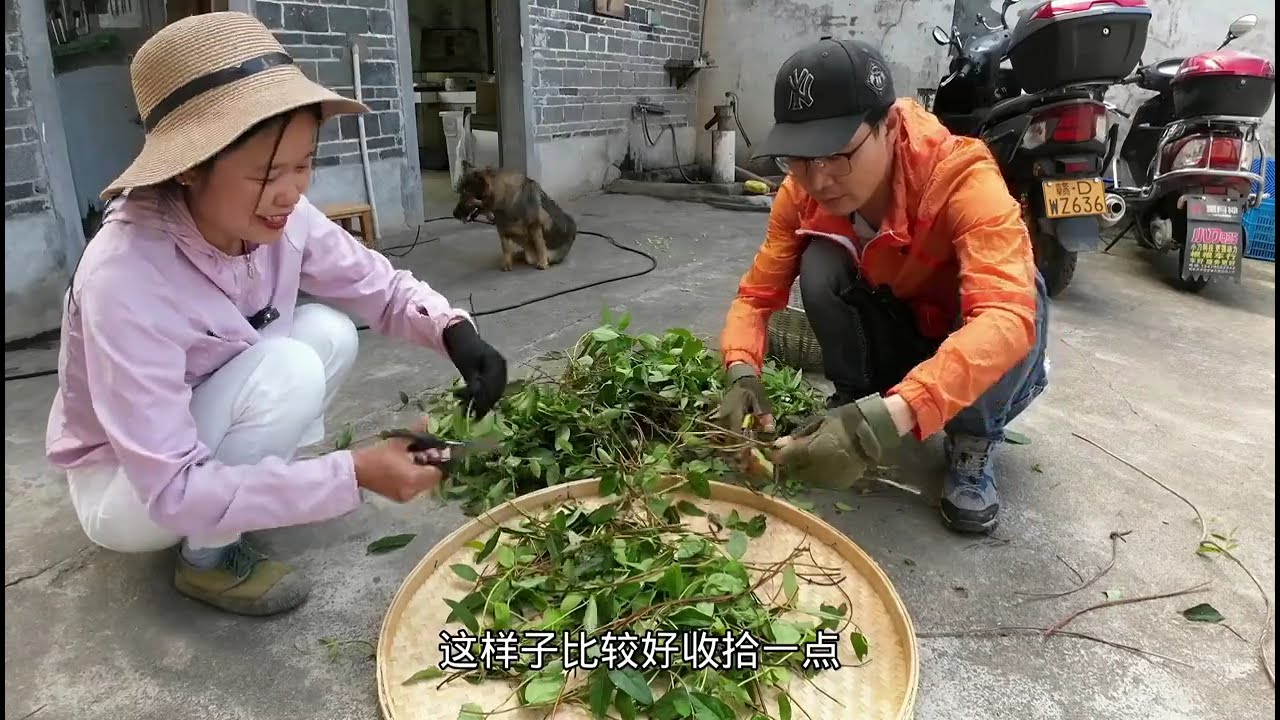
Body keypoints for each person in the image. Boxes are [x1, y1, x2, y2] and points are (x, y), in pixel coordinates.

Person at [43, 12, 508, 616]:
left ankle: (253, 488)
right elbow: (172, 488)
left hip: (201, 418)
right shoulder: (126, 276)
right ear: (189, 165)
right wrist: (353, 475)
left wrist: (456, 333)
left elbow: (380, 288)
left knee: (330, 332)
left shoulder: (283, 216)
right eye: (267, 172)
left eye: (303, 164)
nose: (291, 192)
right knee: (289, 366)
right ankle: (206, 560)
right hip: (131, 487)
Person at [715, 38, 1050, 534]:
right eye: (800, 158)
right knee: (820, 261)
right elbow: (757, 296)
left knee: (1024, 300)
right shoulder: (800, 195)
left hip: (971, 363)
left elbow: (1005, 318)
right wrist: (741, 371)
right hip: (898, 333)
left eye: (837, 155)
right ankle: (854, 400)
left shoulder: (961, 176)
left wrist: (886, 422)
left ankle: (972, 441)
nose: (819, 179)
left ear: (889, 126)